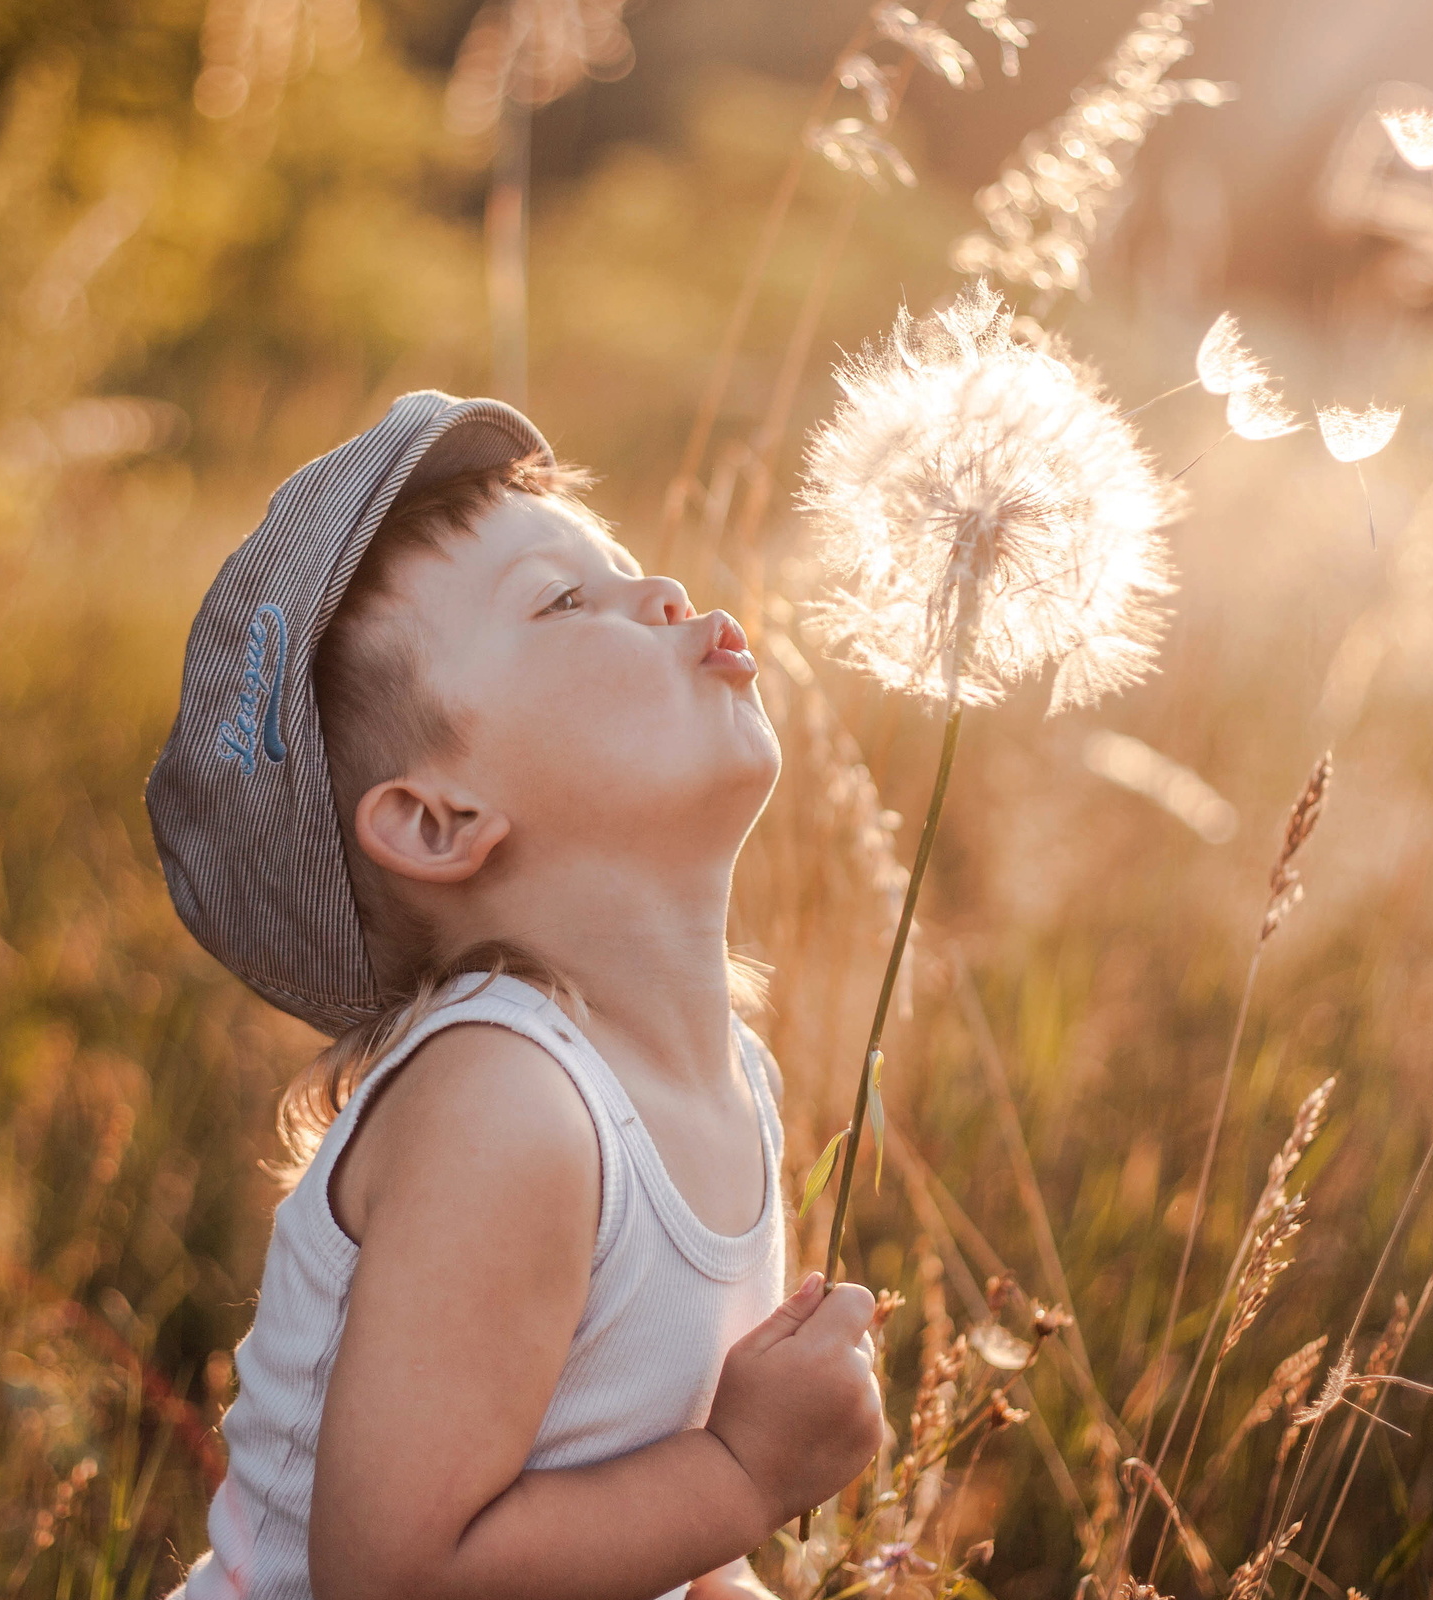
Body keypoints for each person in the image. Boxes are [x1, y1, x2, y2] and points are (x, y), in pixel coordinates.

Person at [147, 391, 885, 1600]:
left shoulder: (725, 1073)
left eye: (626, 570)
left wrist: (723, 1549)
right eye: (563, 601)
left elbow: (635, 1526)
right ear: (438, 820)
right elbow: (394, 1576)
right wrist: (746, 1476)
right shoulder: (506, 1105)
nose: (659, 596)